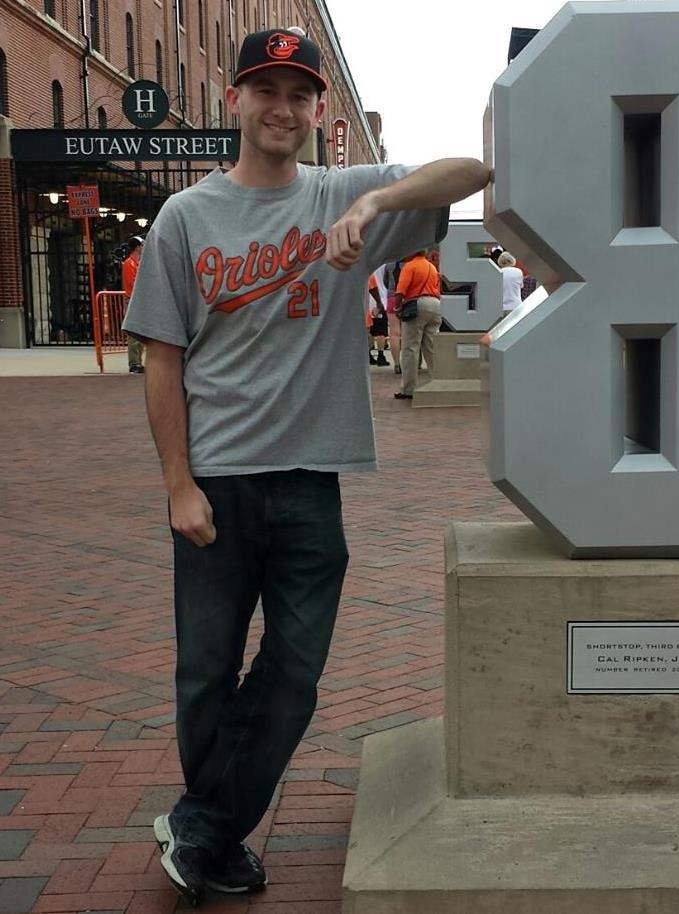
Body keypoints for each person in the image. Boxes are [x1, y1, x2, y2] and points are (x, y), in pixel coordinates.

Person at [122, 28, 491, 906]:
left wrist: (374, 207)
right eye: (265, 91)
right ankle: (219, 839)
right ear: (234, 102)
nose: (281, 108)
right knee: (206, 673)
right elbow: (163, 359)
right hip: (215, 481)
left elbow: (472, 172)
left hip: (310, 481)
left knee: (294, 672)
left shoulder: (345, 193)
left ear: (319, 111)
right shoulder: (186, 217)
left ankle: (203, 828)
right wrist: (177, 484)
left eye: (299, 94)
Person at [394, 249, 441, 400]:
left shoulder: (410, 266)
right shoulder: (431, 267)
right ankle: (438, 382)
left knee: (410, 348)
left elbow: (401, 290)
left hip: (417, 305)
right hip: (435, 304)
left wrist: (397, 307)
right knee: (432, 347)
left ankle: (409, 388)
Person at [121, 236, 145, 373]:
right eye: (141, 245)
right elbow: (134, 283)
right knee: (134, 332)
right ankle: (134, 362)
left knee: (139, 332)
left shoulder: (136, 263)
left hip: (137, 299)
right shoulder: (129, 263)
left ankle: (137, 361)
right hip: (133, 299)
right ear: (137, 247)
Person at [367, 273, 389, 366]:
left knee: (369, 330)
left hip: (366, 302)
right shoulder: (384, 264)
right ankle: (381, 355)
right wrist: (379, 302)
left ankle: (368, 354)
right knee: (381, 331)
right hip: (379, 298)